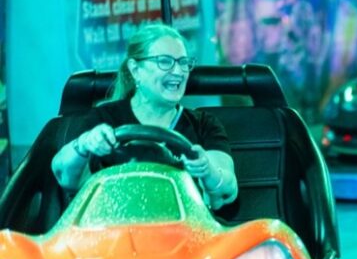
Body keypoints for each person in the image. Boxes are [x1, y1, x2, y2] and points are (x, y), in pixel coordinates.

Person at [52, 24, 238, 209]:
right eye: (165, 61)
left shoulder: (204, 124)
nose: (178, 71)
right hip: (117, 230)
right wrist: (84, 144)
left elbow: (228, 190)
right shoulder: (103, 119)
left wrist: (208, 170)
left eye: (183, 62)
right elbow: (65, 177)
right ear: (135, 70)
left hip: (185, 231)